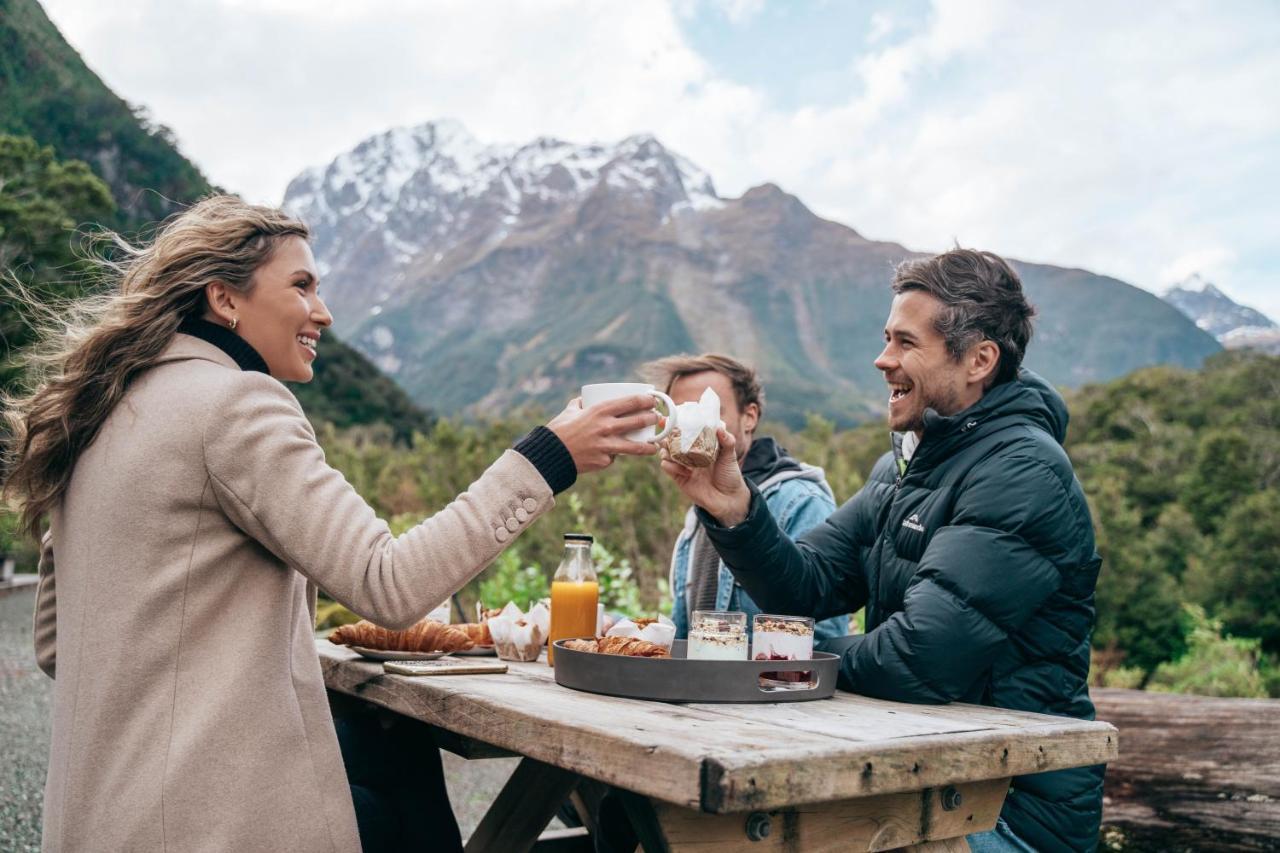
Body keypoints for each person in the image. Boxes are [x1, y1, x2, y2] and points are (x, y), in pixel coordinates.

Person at [1, 195, 659, 853]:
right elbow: (390, 584)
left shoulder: (98, 416)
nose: (324, 310)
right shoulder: (237, 402)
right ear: (225, 299)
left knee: (385, 747)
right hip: (203, 828)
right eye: (302, 285)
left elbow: (57, 643)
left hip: (98, 820)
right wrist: (550, 456)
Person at [661, 249, 1105, 853]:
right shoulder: (901, 468)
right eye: (885, 338)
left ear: (979, 360)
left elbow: (915, 660)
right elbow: (807, 584)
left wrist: (780, 656)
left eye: (904, 342)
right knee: (674, 824)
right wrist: (733, 507)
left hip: (1004, 812)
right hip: (928, 779)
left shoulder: (1023, 472)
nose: (882, 359)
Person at [641, 354, 845, 641]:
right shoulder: (701, 512)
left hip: (760, 685)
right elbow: (686, 636)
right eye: (681, 414)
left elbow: (822, 635)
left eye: (706, 412)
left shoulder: (800, 500)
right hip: (703, 684)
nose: (690, 426)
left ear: (749, 417)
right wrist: (627, 630)